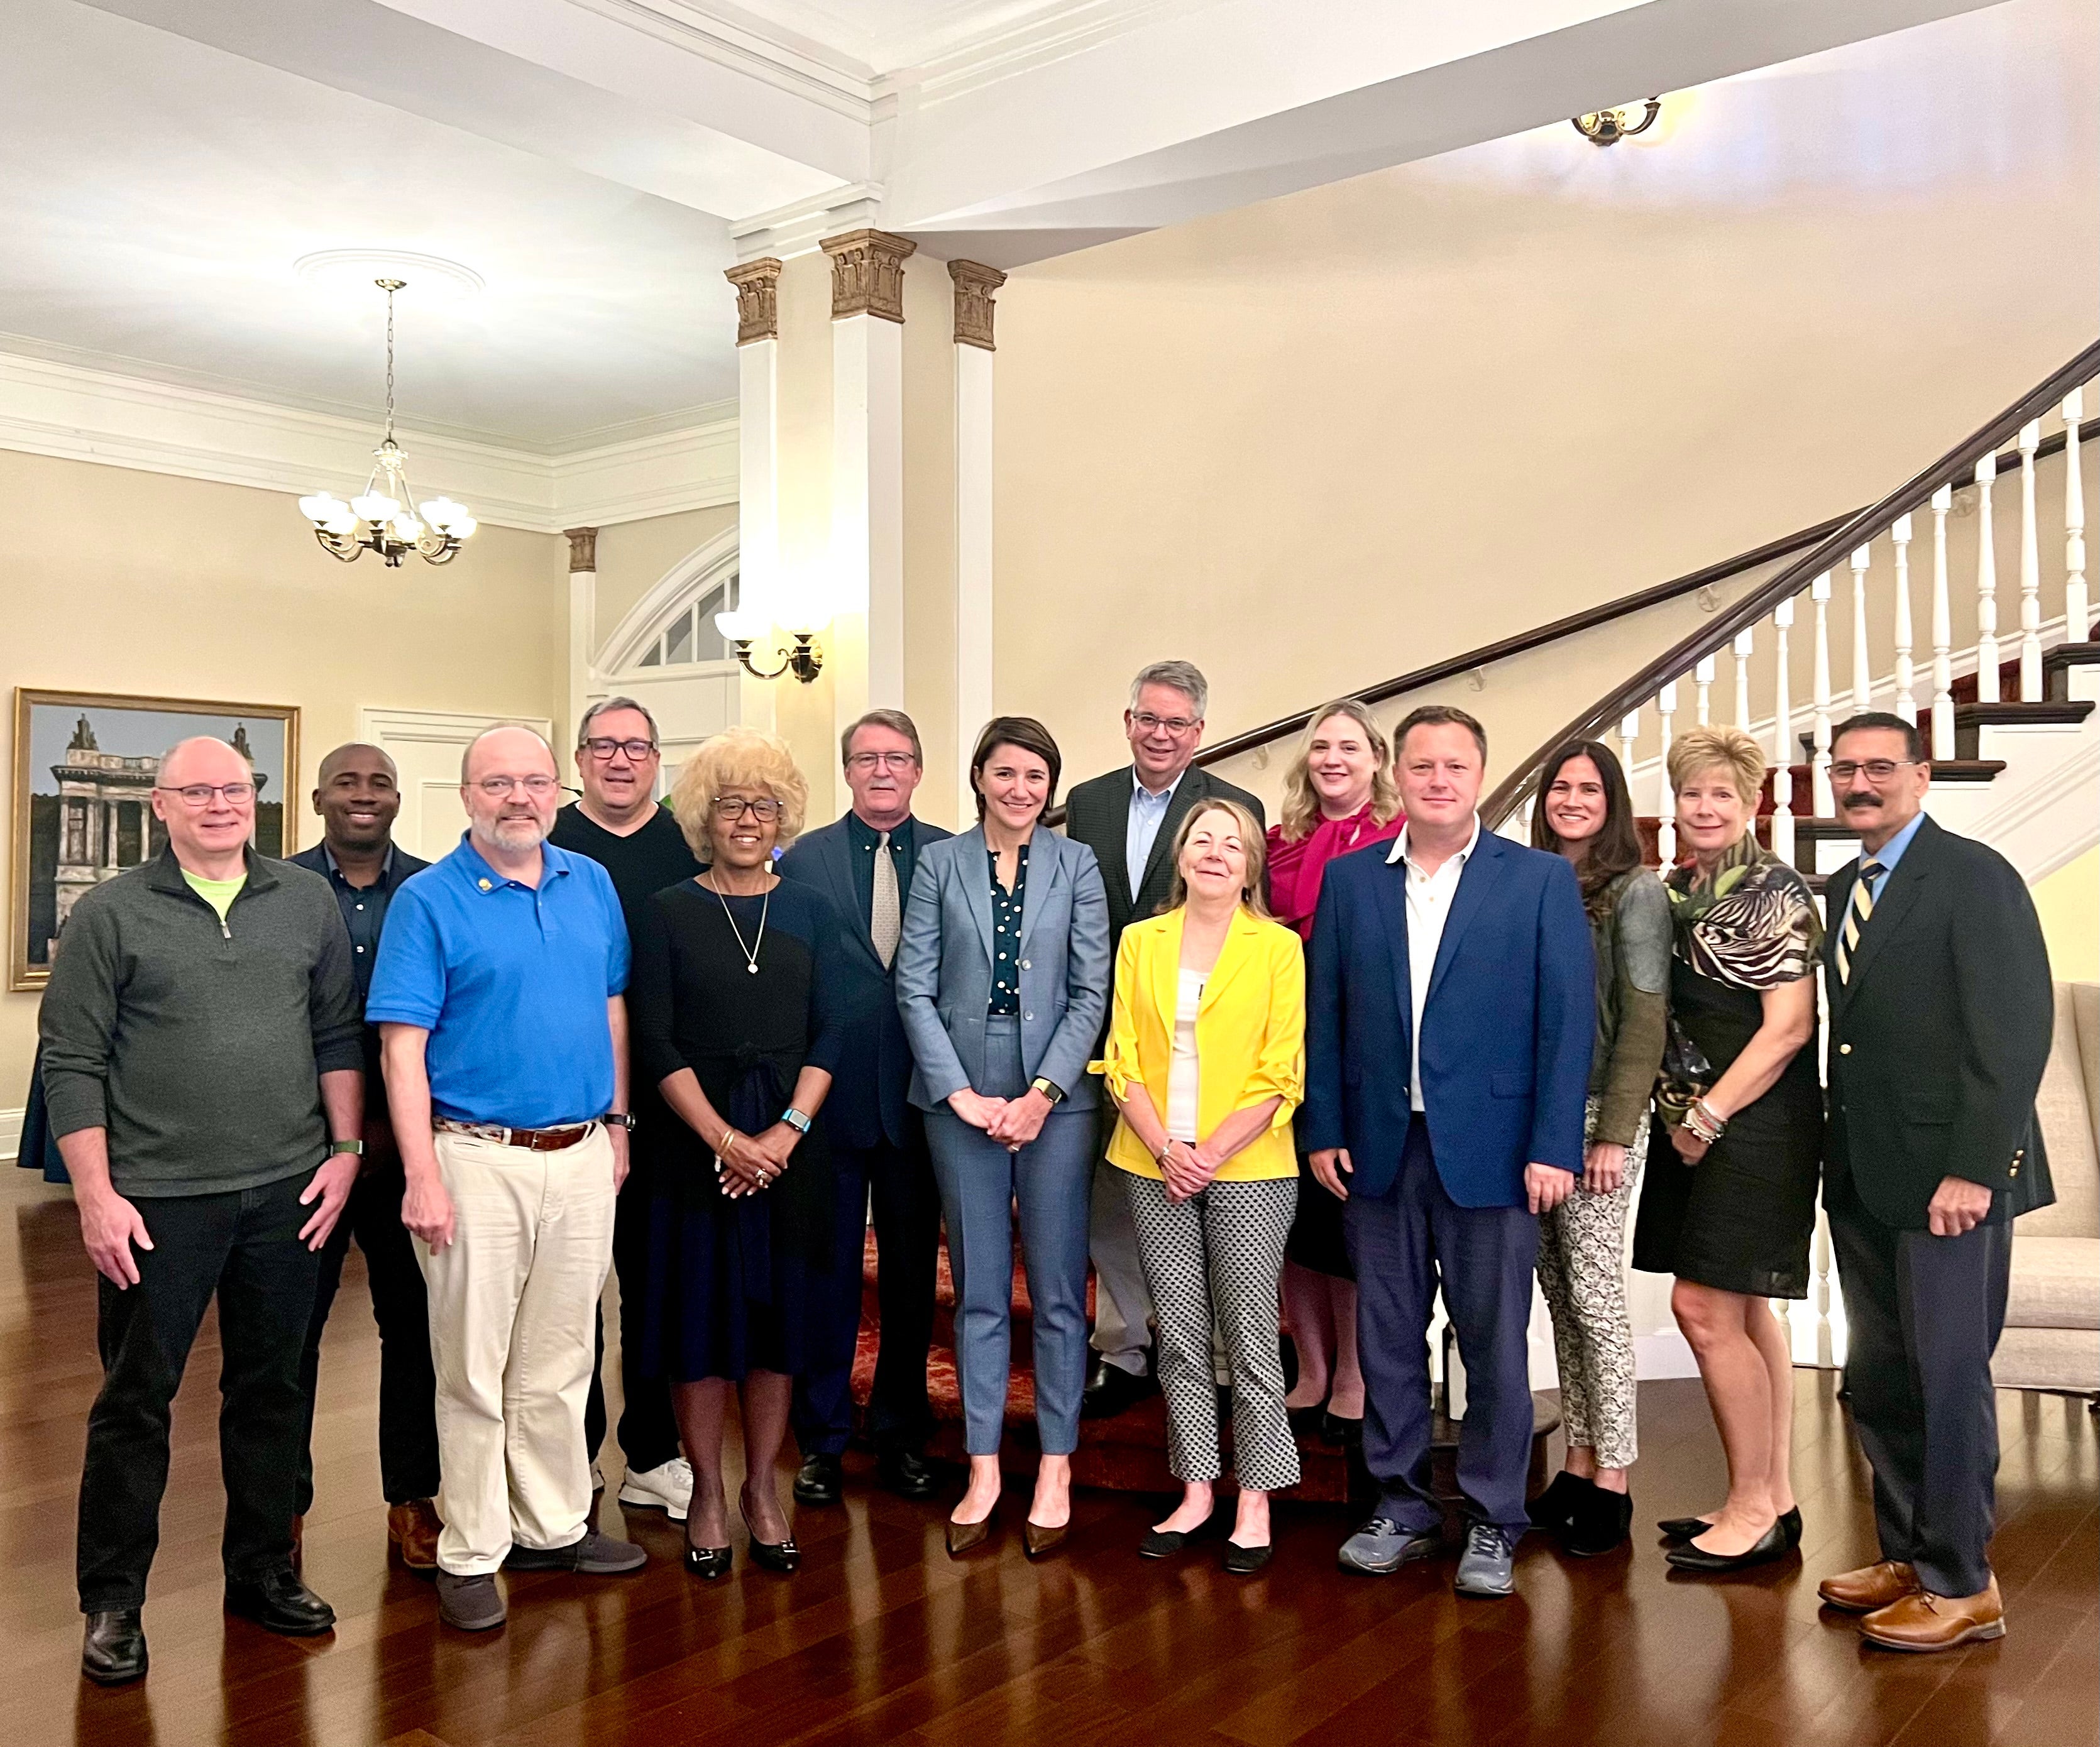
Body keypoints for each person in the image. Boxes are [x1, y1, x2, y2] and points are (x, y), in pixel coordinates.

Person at [43, 737, 364, 1684]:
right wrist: (96, 1196)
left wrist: (345, 1152)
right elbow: (70, 1063)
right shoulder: (110, 914)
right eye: (198, 791)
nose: (220, 804)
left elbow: (336, 1032)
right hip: (157, 1204)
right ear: (163, 807)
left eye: (235, 788)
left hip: (288, 1194)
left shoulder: (302, 901)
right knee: (136, 1402)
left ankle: (262, 1571)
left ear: (255, 799)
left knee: (272, 1392)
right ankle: (113, 1603)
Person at [1303, 704, 1591, 1600]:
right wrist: (1323, 1126)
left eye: (1454, 767)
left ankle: (1495, 1519)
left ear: (1479, 776)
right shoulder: (1352, 883)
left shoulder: (1536, 880)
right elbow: (1325, 1015)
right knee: (1389, 1338)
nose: (1437, 781)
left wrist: (1552, 1146)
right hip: (1379, 1151)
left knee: (1493, 1342)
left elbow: (1566, 1023)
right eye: (1421, 766)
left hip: (1498, 1154)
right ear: (1401, 776)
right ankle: (1400, 1506)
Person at [368, 725, 646, 1633]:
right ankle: (474, 1546)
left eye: (533, 781)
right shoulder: (428, 900)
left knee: (563, 1358)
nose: (517, 797)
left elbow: (611, 1008)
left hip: (580, 1154)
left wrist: (617, 1126)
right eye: (498, 783)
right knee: (474, 1365)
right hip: (473, 1157)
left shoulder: (590, 883)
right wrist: (420, 1175)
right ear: (467, 796)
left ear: (557, 790)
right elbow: (400, 1049)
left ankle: (554, 1523)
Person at [1813, 712, 2053, 1651]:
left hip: (1948, 1181)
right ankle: (1911, 1554)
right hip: (1868, 1175)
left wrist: (1973, 1170)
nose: (1859, 783)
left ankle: (1964, 1582)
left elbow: (2013, 1033)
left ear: (1920, 777)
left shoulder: (1974, 878)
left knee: (1949, 1377)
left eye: (1879, 767)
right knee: (1881, 1373)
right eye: (1844, 770)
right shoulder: (1842, 888)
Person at [627, 729, 848, 1579]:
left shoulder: (812, 910)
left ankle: (762, 1488)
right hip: (694, 1151)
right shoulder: (669, 911)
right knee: (698, 1323)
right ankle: (709, 1495)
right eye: (730, 805)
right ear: (704, 817)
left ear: (783, 815)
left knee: (773, 1323)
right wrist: (726, 1139)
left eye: (763, 805)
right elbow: (652, 1038)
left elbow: (835, 1028)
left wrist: (783, 1134)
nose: (748, 819)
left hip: (793, 1146)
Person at [896, 717, 1111, 1558]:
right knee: (981, 1290)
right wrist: (958, 1094)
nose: (1020, 789)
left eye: (1036, 776)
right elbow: (912, 988)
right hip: (958, 1094)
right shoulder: (940, 865)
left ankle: (1055, 1463)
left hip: (1056, 1094)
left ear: (1049, 789)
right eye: (1006, 773)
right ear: (980, 777)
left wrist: (1042, 1095)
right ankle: (983, 1465)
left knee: (1058, 1294)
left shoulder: (1077, 866)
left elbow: (1091, 993)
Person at [1632, 725, 1821, 1575]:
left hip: (1752, 1126)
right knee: (1745, 1310)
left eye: (1722, 795)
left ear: (1751, 805)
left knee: (1703, 1311)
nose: (1704, 808)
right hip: (1689, 1124)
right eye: (1691, 793)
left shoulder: (1775, 892)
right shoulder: (1678, 889)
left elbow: (1789, 1028)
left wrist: (1707, 1117)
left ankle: (1750, 1505)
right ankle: (1771, 1497)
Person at [1097, 800, 1305, 1574]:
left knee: (1246, 1334)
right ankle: (1196, 1487)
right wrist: (1165, 1146)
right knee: (1178, 1333)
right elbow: (1118, 1055)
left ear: (1251, 865)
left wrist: (1208, 1151)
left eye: (1233, 843)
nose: (1215, 852)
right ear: (1180, 856)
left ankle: (1255, 1495)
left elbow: (1281, 1069)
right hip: (1151, 1158)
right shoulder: (1139, 940)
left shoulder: (1278, 948)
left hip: (1248, 1165)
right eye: (1202, 839)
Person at [1062, 660, 1265, 1419]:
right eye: (1147, 718)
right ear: (1127, 721)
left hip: (1204, 1046)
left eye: (1176, 722)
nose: (1159, 733)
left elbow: (1254, 927)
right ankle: (1123, 1343)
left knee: (1206, 1204)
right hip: (1111, 1035)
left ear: (1198, 733)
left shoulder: (1232, 805)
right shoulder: (1088, 801)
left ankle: (1209, 1351)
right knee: (1110, 1200)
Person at [778, 710, 951, 1508]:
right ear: (846, 770)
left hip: (922, 1100)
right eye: (866, 758)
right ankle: (821, 1438)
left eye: (898, 758)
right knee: (827, 1273)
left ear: (918, 770)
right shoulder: (802, 858)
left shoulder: (955, 855)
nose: (882, 770)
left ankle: (900, 1433)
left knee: (914, 1278)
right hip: (828, 1096)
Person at [547, 697, 700, 1523]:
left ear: (656, 760)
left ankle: (652, 1454)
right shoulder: (548, 844)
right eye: (603, 746)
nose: (619, 760)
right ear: (578, 761)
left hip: (672, 1106)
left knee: (654, 1288)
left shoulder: (689, 846)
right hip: (571, 1107)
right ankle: (570, 1459)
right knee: (570, 1292)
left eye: (636, 746)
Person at [287, 744, 439, 1574]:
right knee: (289, 1338)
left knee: (414, 1331)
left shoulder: (433, 891)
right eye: (347, 782)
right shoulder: (277, 891)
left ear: (398, 798)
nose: (363, 794)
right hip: (303, 1155)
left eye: (379, 782)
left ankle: (413, 1497)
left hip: (409, 1152)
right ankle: (284, 1509)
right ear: (318, 799)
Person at [1525, 740, 1668, 1556]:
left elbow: (1644, 1018)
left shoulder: (1635, 893)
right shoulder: (1539, 884)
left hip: (1597, 1122)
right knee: (1559, 1296)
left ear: (1611, 801)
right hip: (1542, 1119)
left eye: (1588, 788)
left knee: (1595, 1296)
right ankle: (1576, 1460)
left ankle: (1613, 1478)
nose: (1572, 799)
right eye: (1560, 787)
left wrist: (1614, 1132)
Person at [1265, 699, 1403, 1445]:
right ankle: (1311, 1366)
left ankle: (1353, 1371)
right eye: (1320, 746)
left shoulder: (1395, 839)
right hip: (1277, 1046)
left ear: (1375, 758)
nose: (1332, 759)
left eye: (1348, 747)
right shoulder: (1278, 841)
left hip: (1354, 1049)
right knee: (1289, 1224)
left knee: (1341, 1218)